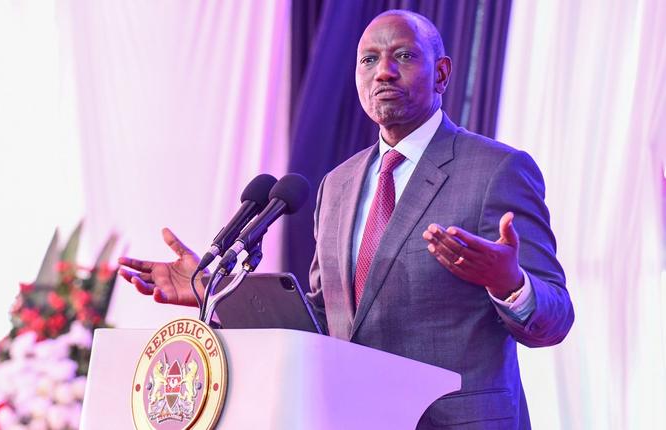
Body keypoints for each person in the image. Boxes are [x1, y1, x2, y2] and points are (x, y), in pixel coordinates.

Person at [119, 10, 573, 429]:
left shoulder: (498, 170)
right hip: (352, 418)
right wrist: (213, 291)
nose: (383, 71)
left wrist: (509, 283)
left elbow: (556, 317)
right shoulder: (338, 184)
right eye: (368, 59)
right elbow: (326, 319)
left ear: (441, 73)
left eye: (404, 56)